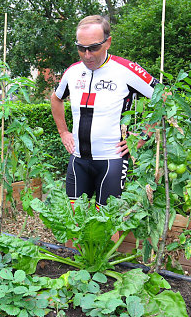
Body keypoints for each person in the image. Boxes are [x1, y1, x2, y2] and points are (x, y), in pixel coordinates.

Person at [51, 15, 157, 208]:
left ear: (107, 42)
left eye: (93, 48)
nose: (87, 55)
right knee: (71, 224)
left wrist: (144, 135)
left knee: (108, 224)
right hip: (78, 161)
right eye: (81, 48)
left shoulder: (125, 70)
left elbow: (165, 98)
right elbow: (56, 98)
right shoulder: (73, 72)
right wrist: (63, 132)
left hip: (112, 161)